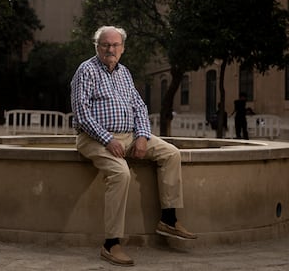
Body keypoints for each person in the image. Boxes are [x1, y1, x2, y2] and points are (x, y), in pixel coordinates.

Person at [70, 26, 197, 267]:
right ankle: (111, 244)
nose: (110, 49)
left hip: (129, 135)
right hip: (94, 138)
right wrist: (108, 139)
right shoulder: (85, 70)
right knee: (120, 173)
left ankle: (169, 219)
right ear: (97, 47)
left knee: (171, 153)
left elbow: (139, 107)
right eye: (105, 44)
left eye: (115, 45)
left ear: (122, 48)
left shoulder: (124, 73)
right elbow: (82, 113)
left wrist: (141, 135)